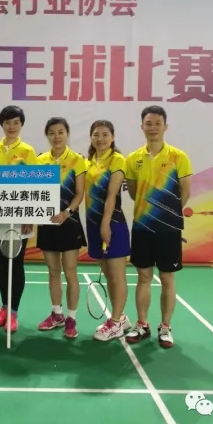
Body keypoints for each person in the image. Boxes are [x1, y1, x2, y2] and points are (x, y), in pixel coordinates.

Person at [123, 105, 192, 349]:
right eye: (148, 123)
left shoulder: (178, 157)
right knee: (143, 277)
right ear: (142, 126)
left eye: (157, 123)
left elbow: (185, 192)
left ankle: (165, 326)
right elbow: (133, 193)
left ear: (165, 126)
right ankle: (142, 323)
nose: (152, 128)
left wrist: (167, 214)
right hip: (142, 227)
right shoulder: (133, 159)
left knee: (166, 278)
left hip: (169, 230)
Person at [0, 105, 38, 332]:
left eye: (15, 122)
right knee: (2, 264)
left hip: (19, 218)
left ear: (21, 124)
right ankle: (4, 307)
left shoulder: (28, 151)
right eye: (7, 123)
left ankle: (13, 312)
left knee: (16, 264)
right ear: (2, 125)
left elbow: (34, 186)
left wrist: (29, 216)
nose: (11, 126)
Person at [35, 117, 87, 339]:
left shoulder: (77, 160)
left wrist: (66, 213)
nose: (56, 137)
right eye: (52, 133)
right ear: (47, 135)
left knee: (70, 271)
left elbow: (79, 193)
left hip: (69, 222)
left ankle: (71, 318)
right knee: (53, 270)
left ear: (67, 134)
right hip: (47, 222)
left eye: (60, 132)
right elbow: (35, 192)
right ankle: (57, 314)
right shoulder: (40, 160)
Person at [84, 120, 131, 342]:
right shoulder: (88, 161)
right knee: (109, 274)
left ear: (112, 137)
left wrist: (105, 224)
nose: (100, 139)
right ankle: (120, 318)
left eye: (105, 134)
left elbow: (112, 195)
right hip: (93, 224)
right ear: (91, 137)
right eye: (96, 134)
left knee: (117, 274)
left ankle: (115, 322)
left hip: (113, 224)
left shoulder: (117, 159)